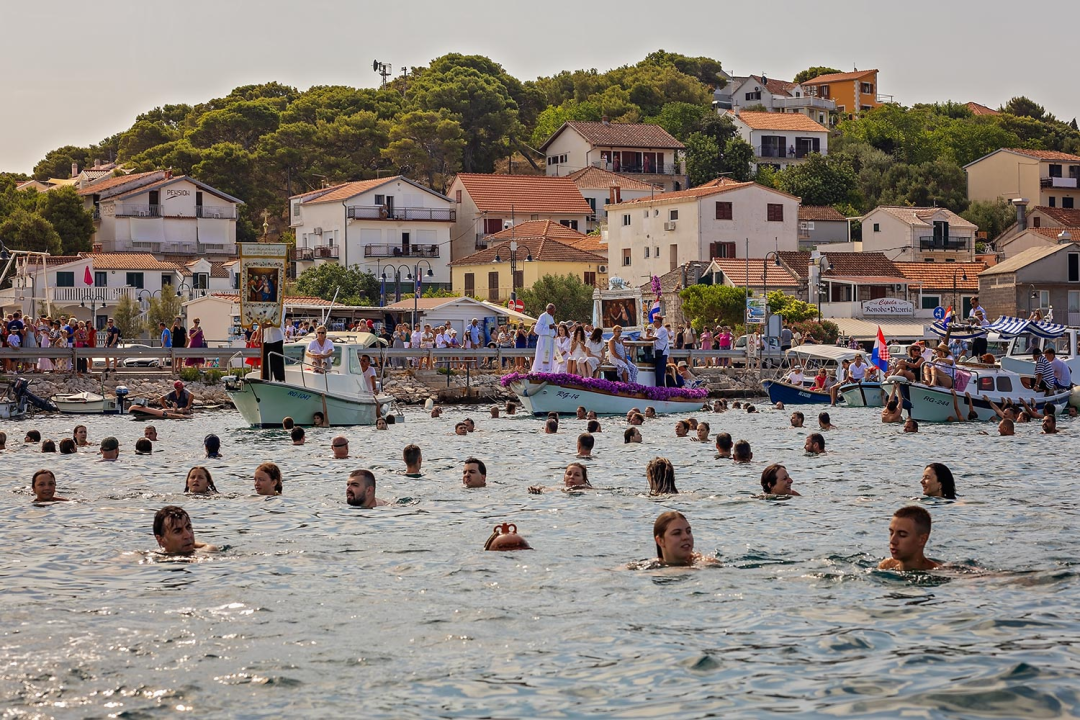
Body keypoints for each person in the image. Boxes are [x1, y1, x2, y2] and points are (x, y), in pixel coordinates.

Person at [879, 506, 940, 571]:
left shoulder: (939, 574)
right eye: (891, 533)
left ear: (922, 540)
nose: (892, 541)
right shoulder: (886, 566)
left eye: (902, 535)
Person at [644, 314, 670, 387]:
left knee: (660, 372)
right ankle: (658, 387)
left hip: (662, 353)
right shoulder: (657, 330)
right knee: (657, 371)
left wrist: (645, 339)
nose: (653, 323)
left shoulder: (663, 330)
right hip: (657, 353)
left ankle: (660, 388)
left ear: (659, 322)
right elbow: (653, 337)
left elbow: (655, 338)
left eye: (655, 321)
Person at [531, 303, 557, 372]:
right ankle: (541, 370)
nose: (554, 312)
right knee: (542, 356)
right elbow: (537, 329)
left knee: (550, 356)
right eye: (553, 310)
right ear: (549, 310)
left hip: (550, 340)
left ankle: (548, 370)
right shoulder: (543, 316)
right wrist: (548, 327)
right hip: (544, 340)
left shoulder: (551, 317)